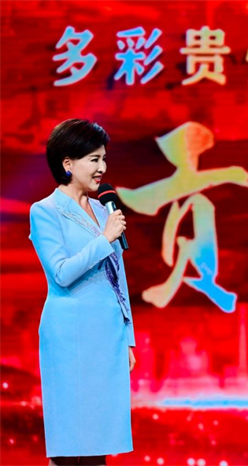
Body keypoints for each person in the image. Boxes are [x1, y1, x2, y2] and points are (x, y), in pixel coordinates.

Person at [28, 119, 136, 466]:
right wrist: (104, 239)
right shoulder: (45, 211)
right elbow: (61, 273)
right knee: (69, 442)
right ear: (68, 163)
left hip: (107, 334)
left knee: (99, 443)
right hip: (70, 335)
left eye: (104, 158)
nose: (102, 167)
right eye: (94, 159)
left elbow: (118, 279)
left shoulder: (105, 210)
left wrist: (128, 337)